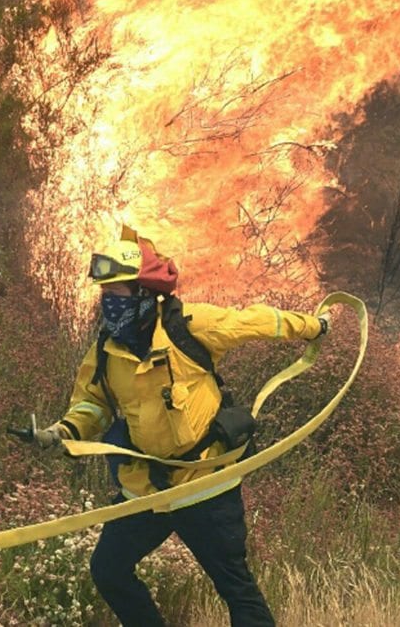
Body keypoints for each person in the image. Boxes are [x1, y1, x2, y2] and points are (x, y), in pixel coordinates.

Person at [24, 228, 330, 627]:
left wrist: (313, 326)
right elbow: (92, 405)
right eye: (105, 294)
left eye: (117, 293)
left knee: (235, 588)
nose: (109, 304)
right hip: (148, 490)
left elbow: (255, 322)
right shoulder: (105, 351)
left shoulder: (189, 326)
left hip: (205, 486)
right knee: (109, 570)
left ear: (144, 294)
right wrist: (62, 432)